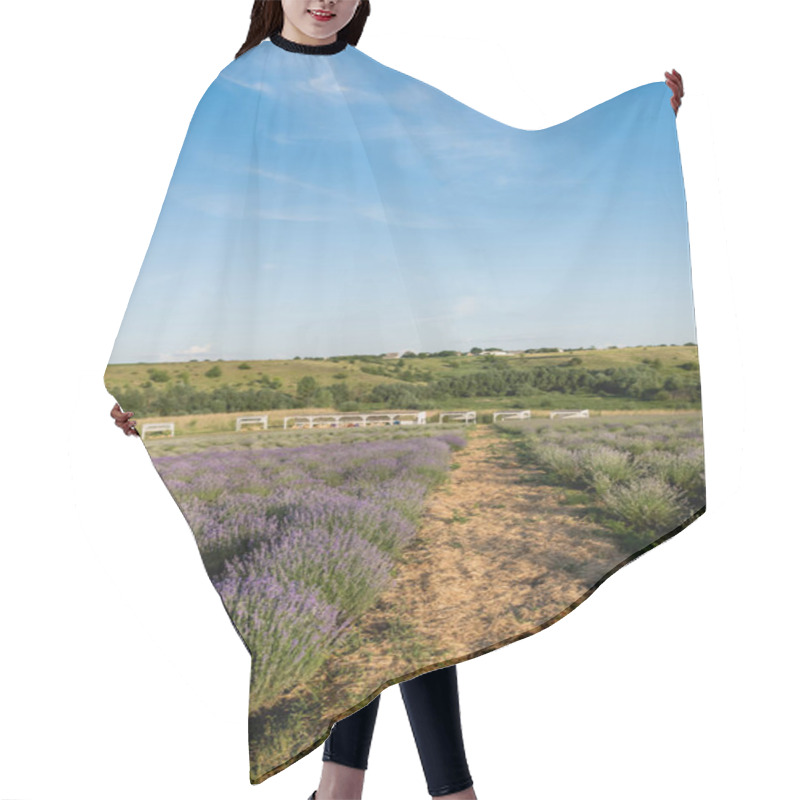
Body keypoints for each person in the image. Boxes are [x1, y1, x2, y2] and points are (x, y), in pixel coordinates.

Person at [110, 2, 685, 798]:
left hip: (384, 352)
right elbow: (194, 246)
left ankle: (350, 789)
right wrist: (153, 377)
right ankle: (429, 791)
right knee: (375, 599)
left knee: (402, 590)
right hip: (296, 368)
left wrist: (633, 128)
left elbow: (500, 170)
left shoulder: (380, 89)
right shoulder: (236, 93)